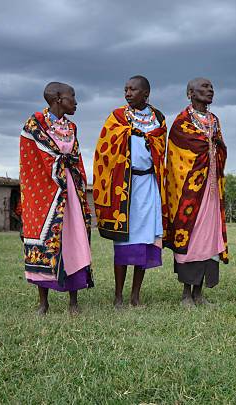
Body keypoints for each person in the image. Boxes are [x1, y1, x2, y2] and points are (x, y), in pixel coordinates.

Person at [93, 75, 166, 308]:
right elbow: (103, 150)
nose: (127, 93)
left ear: (145, 94)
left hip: (149, 185)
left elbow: (161, 149)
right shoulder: (117, 117)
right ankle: (118, 297)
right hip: (124, 187)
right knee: (123, 242)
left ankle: (135, 296)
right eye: (125, 89)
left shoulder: (159, 118)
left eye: (132, 89)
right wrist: (128, 135)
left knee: (144, 242)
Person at [20, 82, 93, 315]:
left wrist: (79, 184)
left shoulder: (71, 127)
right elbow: (32, 160)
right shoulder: (34, 125)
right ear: (58, 99)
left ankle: (74, 302)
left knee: (73, 240)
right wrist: (61, 166)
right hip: (45, 193)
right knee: (45, 242)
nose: (76, 102)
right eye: (73, 96)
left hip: (70, 191)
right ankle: (43, 303)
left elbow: (76, 157)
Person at [164, 78, 228, 306]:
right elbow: (176, 158)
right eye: (204, 87)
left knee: (208, 239)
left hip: (210, 191)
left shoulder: (214, 121)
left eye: (212, 87)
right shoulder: (182, 122)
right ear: (190, 93)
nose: (210, 90)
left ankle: (199, 293)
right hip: (189, 193)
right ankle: (185, 294)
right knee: (190, 239)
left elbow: (220, 149)